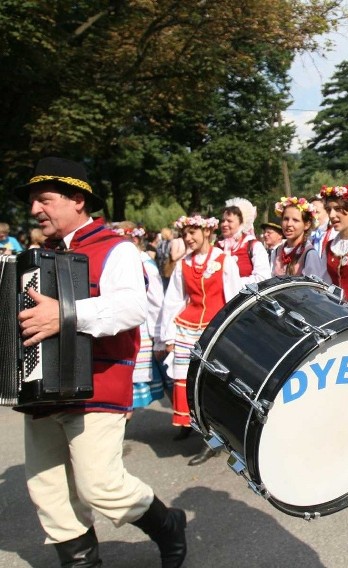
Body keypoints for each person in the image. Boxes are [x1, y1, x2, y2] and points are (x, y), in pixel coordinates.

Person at [14, 157, 187, 567]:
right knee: (48, 488)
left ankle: (168, 525)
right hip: (41, 388)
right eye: (33, 202)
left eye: (44, 200)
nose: (35, 209)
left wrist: (64, 315)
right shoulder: (36, 258)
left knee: (101, 485)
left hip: (98, 384)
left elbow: (131, 308)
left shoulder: (116, 248)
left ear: (78, 200)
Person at [158, 214, 241, 464]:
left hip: (214, 328)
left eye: (193, 233)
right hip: (187, 327)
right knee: (184, 379)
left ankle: (211, 437)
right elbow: (173, 300)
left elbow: (234, 297)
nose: (188, 238)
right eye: (185, 234)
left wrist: (233, 333)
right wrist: (167, 336)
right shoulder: (184, 264)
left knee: (209, 383)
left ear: (207, 232)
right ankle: (187, 423)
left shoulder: (224, 261)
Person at [114, 222, 166, 412]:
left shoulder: (144, 264)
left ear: (134, 239)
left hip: (144, 329)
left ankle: (186, 420)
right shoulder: (127, 262)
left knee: (162, 377)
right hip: (130, 327)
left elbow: (157, 302)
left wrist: (159, 335)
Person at [311, 185, 348, 301]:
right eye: (329, 210)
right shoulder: (330, 246)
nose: (332, 215)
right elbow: (323, 283)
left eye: (338, 209)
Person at [217, 197, 271, 286]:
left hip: (245, 298)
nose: (224, 224)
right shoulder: (218, 245)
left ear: (241, 223)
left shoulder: (253, 246)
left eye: (229, 221)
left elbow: (263, 278)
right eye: (223, 221)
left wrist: (231, 284)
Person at [272, 196, 319, 277]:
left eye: (295, 220)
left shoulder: (309, 253)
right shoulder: (277, 251)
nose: (289, 224)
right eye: (286, 219)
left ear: (307, 225)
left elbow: (314, 287)